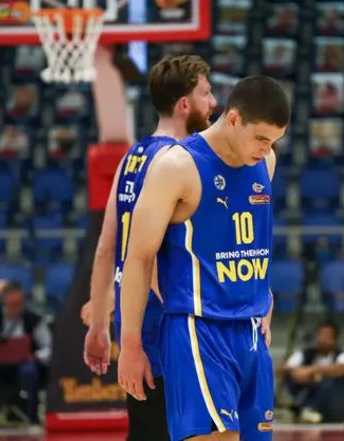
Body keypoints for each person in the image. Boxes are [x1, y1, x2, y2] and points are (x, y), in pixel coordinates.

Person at [118, 75, 289, 441]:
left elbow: (249, 240)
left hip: (251, 331)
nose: (266, 148)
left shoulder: (266, 162)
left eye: (274, 141)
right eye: (261, 138)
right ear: (233, 118)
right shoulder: (177, 166)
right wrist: (130, 344)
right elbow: (139, 258)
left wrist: (265, 295)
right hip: (199, 328)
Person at [82, 54, 217, 441]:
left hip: (135, 326)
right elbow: (152, 260)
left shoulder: (132, 156)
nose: (213, 103)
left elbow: (106, 248)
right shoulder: (180, 162)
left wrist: (99, 326)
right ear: (184, 104)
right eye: (206, 93)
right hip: (170, 330)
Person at [0, 280, 51, 427]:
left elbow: (48, 348)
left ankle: (33, 418)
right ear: (4, 300)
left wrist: (35, 356)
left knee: (30, 372)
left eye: (18, 304)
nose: (14, 308)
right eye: (11, 304)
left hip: (23, 365)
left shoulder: (34, 319)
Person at [283, 320, 344, 423]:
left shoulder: (343, 355)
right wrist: (296, 373)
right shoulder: (305, 353)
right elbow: (284, 368)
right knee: (293, 379)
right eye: (321, 335)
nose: (324, 340)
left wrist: (312, 370)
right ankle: (306, 410)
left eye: (328, 336)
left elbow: (342, 368)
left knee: (327, 381)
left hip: (335, 401)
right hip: (309, 391)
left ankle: (309, 410)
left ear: (335, 339)